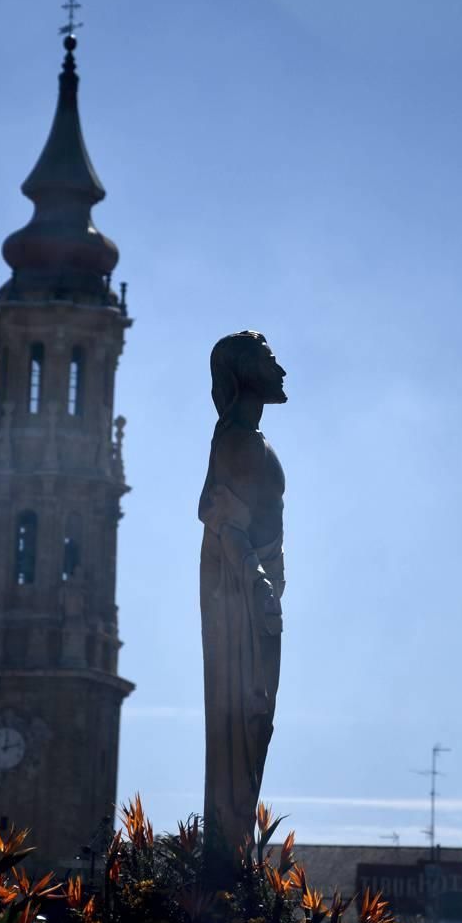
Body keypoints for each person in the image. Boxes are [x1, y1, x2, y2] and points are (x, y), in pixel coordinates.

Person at [199, 330, 287, 876]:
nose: (281, 368)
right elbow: (223, 520)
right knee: (242, 715)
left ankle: (231, 848)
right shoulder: (233, 441)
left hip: (261, 591)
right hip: (240, 595)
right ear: (245, 371)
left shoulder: (248, 440)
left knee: (255, 719)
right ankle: (226, 858)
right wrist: (257, 588)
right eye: (270, 358)